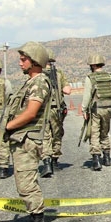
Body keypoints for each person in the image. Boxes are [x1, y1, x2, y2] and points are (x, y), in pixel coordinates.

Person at [0, 41, 51, 222]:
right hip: (23, 139)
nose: (20, 62)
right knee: (23, 183)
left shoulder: (39, 82)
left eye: (23, 58)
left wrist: (7, 127)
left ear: (34, 61)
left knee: (26, 185)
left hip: (28, 140)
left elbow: (30, 112)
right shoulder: (30, 82)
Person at [81, 54, 111, 170]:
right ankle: (107, 158)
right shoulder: (109, 76)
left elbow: (87, 95)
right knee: (105, 132)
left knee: (94, 133)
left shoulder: (90, 77)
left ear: (93, 65)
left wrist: (84, 109)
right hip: (108, 108)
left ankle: (96, 160)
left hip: (96, 109)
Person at [40, 48, 71, 177]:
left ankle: (46, 163)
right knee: (57, 134)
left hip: (42, 111)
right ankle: (55, 161)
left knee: (45, 136)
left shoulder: (38, 75)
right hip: (56, 108)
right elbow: (68, 90)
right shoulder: (59, 73)